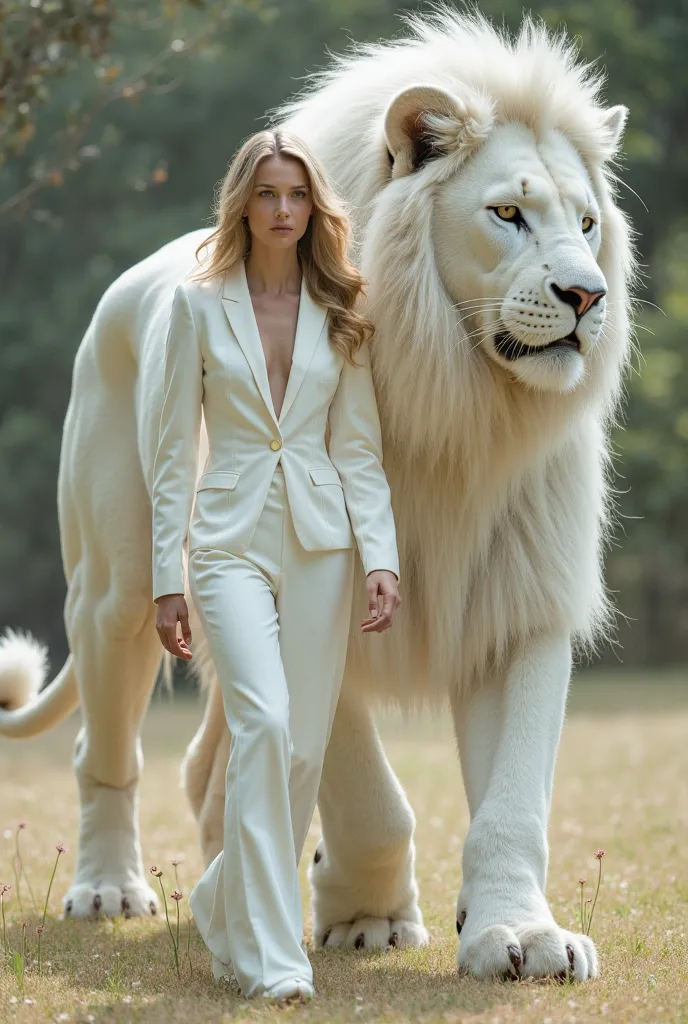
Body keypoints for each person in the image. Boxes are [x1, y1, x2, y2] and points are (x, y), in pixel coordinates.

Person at [150, 129, 401, 1003]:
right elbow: (174, 452)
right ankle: (274, 958)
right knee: (259, 723)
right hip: (225, 546)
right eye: (268, 194)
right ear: (243, 204)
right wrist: (165, 576)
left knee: (300, 748)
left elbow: (358, 449)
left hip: (326, 546)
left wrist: (383, 557)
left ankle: (222, 899)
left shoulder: (342, 310)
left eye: (297, 194)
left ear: (313, 206)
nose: (284, 209)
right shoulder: (197, 306)